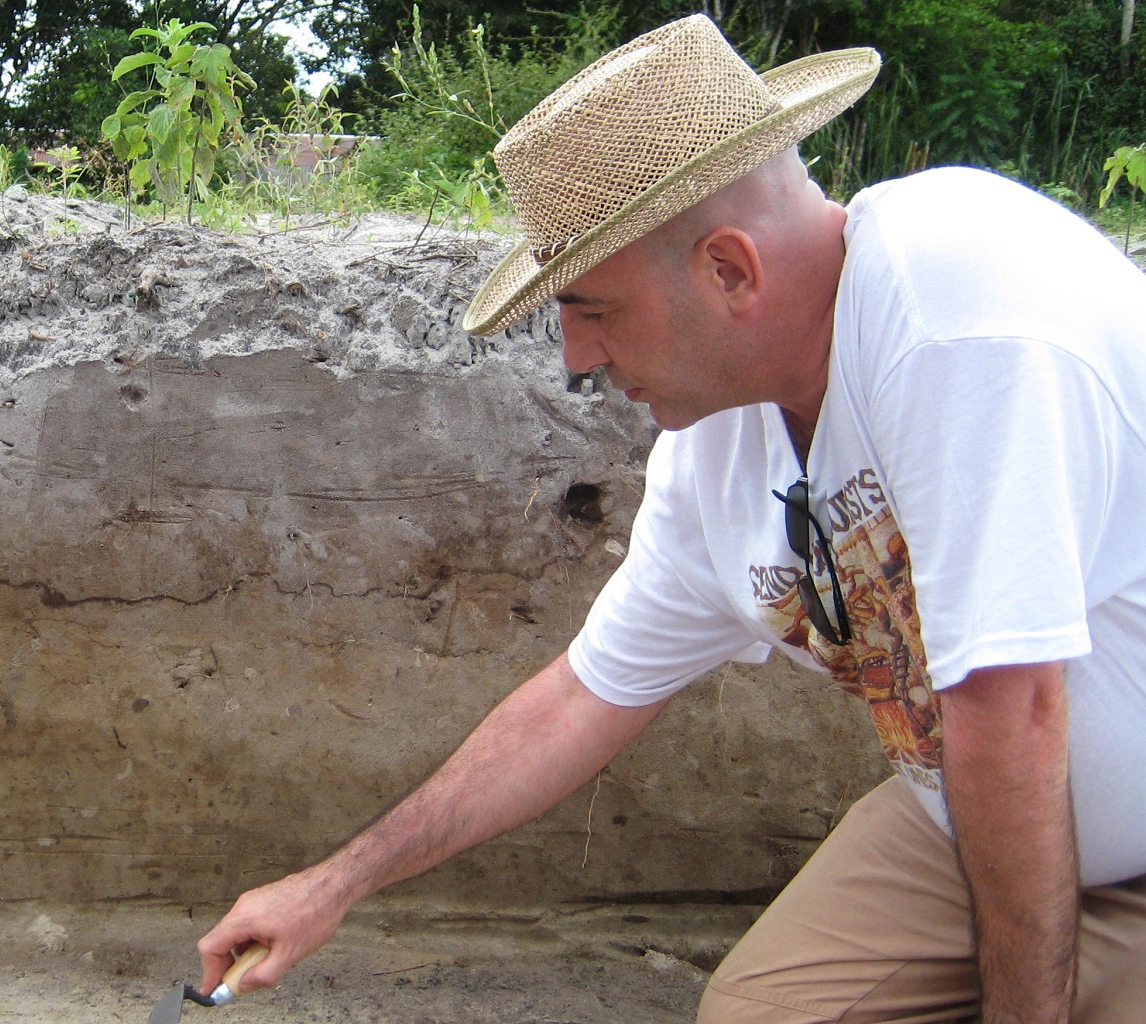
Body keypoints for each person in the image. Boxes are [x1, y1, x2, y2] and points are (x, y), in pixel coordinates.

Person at [196, 14, 1146, 1022]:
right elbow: (580, 697)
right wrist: (333, 883)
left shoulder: (958, 312)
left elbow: (1014, 708)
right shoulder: (718, 452)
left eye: (594, 308)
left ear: (729, 269)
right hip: (971, 823)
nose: (574, 356)